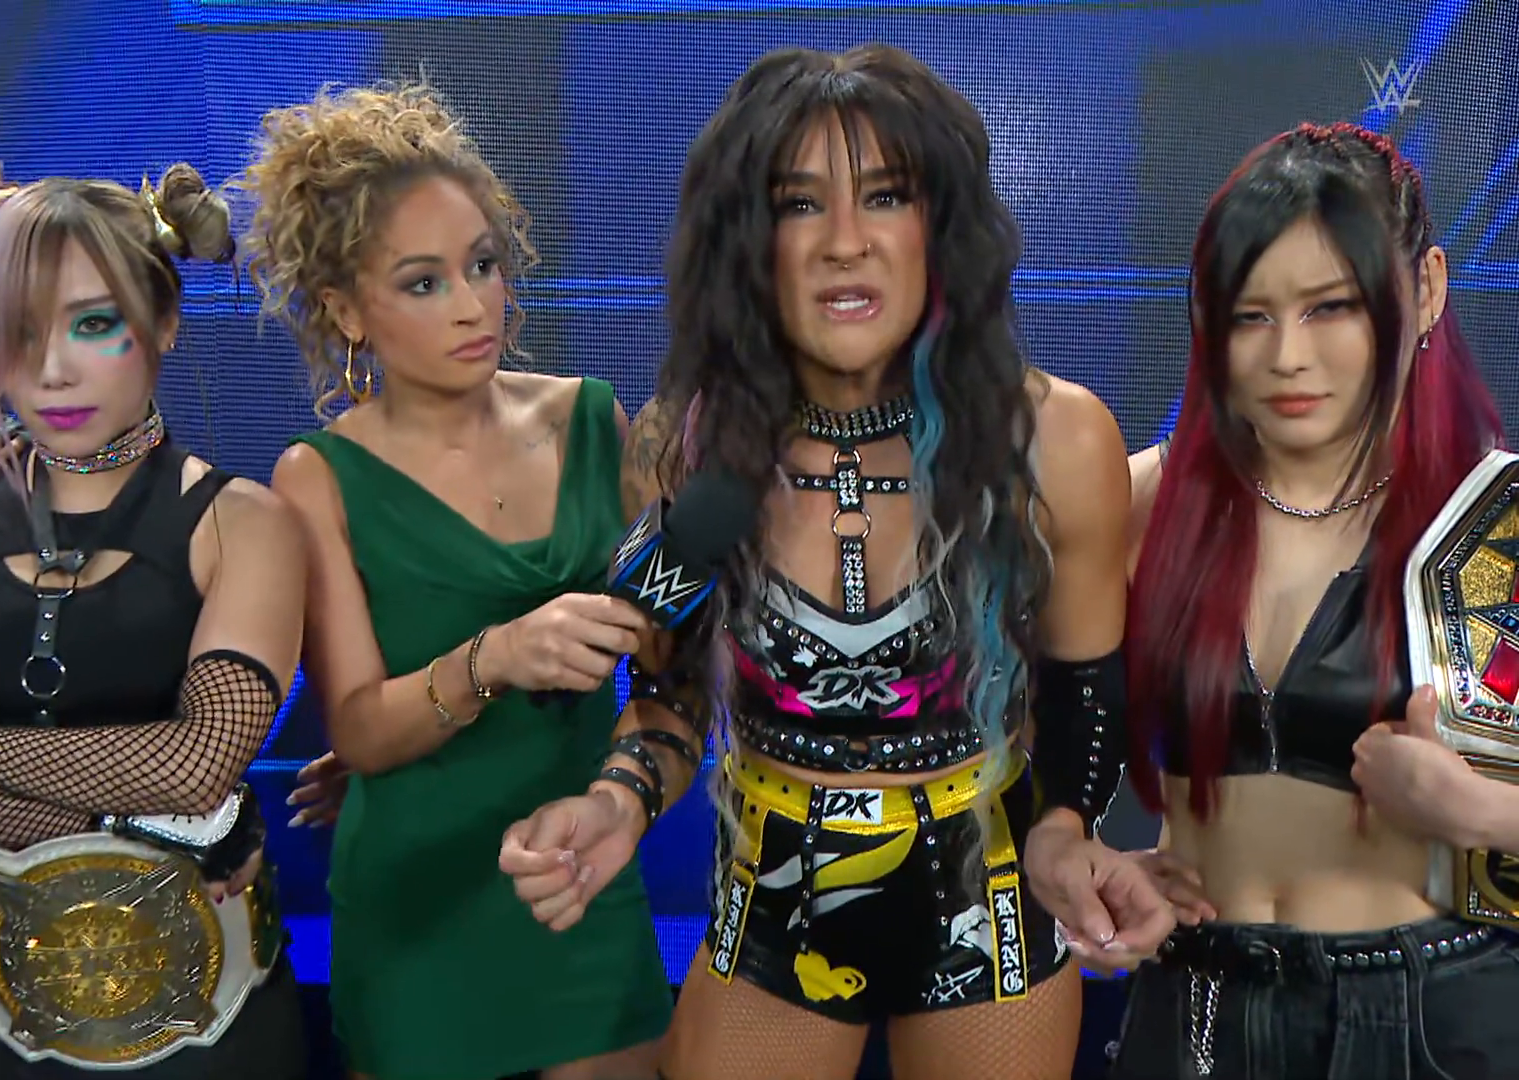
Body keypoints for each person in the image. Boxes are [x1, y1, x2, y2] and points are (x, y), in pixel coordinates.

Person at [498, 45, 1175, 1080]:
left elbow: (1087, 690)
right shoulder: (685, 447)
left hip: (987, 902)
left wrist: (1067, 827)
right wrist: (616, 801)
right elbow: (671, 698)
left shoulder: (1052, 439)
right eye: (799, 204)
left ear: (941, 226)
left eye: (886, 197)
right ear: (748, 241)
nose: (845, 243)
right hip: (773, 904)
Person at [0, 161, 309, 1080]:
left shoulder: (244, 522)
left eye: (94, 324)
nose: (51, 369)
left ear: (164, 321)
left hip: (214, 1028)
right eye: (19, 330)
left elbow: (197, 764)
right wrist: (162, 824)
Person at [253, 82, 674, 1080]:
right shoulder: (317, 478)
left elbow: (673, 651)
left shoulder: (594, 422)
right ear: (346, 310)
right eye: (424, 282)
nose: (474, 303)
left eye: (482, 265)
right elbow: (359, 728)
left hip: (577, 870)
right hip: (418, 904)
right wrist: (497, 655)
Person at [1112, 122, 1511, 1077]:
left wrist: (1480, 813)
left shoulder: (1497, 524)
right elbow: (997, 731)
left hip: (1427, 1018)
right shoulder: (1144, 505)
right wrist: (1086, 859)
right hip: (1197, 1009)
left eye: (1332, 307)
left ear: (1425, 290)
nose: (1288, 356)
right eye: (1251, 316)